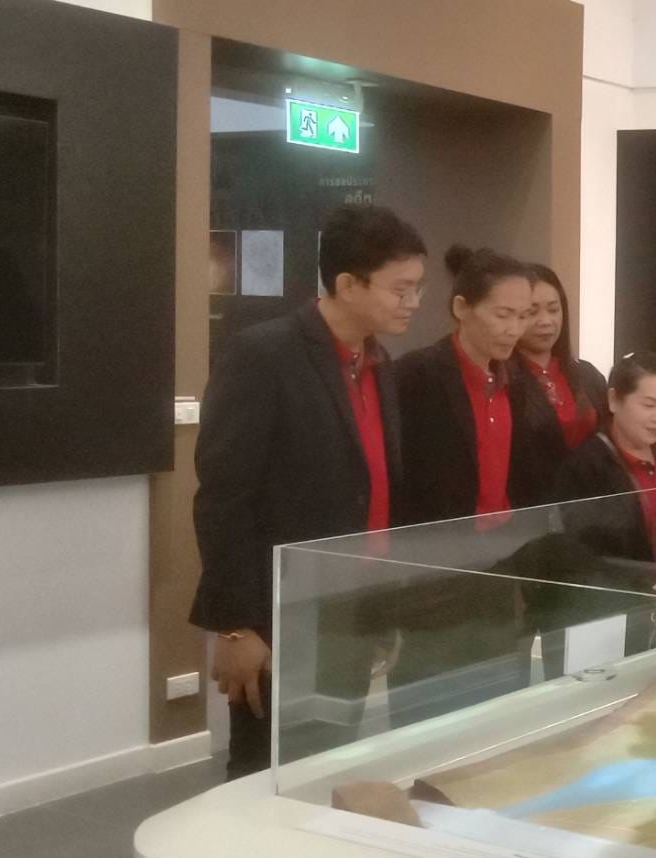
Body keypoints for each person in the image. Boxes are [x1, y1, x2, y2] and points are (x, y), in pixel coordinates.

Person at [190, 204, 426, 780]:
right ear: (347, 284)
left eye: (417, 288)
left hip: (353, 601)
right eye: (400, 288)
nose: (413, 302)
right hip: (283, 609)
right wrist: (236, 625)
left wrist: (383, 604)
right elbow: (223, 498)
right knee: (265, 772)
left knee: (331, 762)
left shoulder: (379, 363)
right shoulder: (263, 355)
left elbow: (378, 491)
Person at [528, 351, 656, 666]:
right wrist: (653, 591)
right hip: (608, 615)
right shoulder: (586, 465)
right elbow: (592, 554)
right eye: (649, 405)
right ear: (614, 400)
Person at [394, 246, 536, 525]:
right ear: (461, 308)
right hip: (442, 539)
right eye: (503, 315)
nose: (514, 330)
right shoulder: (416, 375)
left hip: (505, 536)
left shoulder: (516, 380)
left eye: (523, 316)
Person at [508, 263, 608, 507]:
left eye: (553, 309)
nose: (546, 321)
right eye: (532, 312)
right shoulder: (503, 380)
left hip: (591, 502)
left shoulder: (587, 374)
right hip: (532, 507)